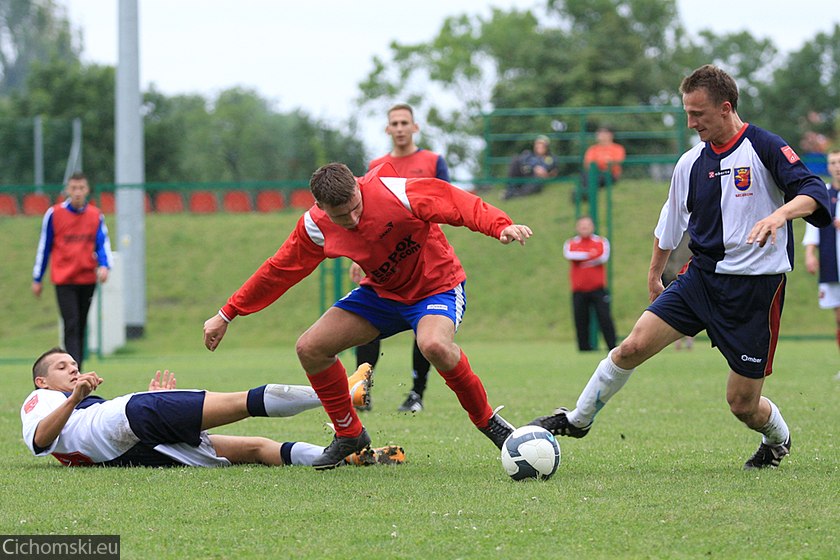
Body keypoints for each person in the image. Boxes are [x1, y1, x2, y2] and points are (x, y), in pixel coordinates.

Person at [530, 64, 830, 470]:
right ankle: (577, 420)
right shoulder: (689, 164)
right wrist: (654, 273)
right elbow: (670, 222)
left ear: (726, 108)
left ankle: (778, 439)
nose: (691, 123)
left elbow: (814, 192)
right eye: (687, 113)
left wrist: (780, 216)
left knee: (742, 405)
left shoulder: (764, 146)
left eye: (698, 114)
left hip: (755, 291)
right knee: (632, 346)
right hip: (701, 280)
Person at [203, 161, 533, 469]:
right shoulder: (315, 227)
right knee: (310, 348)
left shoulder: (395, 192)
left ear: (358, 188)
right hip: (382, 295)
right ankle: (349, 434)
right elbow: (278, 271)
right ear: (321, 207)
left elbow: (454, 201)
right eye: (341, 216)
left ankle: (488, 422)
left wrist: (499, 225)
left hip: (436, 286)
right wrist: (227, 313)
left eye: (355, 208)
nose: (352, 219)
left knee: (433, 345)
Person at [21, 347, 403, 468]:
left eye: (74, 364)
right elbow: (40, 439)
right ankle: (341, 394)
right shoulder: (40, 401)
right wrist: (74, 397)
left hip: (139, 444)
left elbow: (82, 434)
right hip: (136, 424)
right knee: (244, 410)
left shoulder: (76, 413)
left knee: (255, 448)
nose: (72, 368)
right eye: (61, 367)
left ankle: (343, 457)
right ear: (41, 382)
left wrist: (155, 399)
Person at [351, 102, 451, 413]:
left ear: (415, 127)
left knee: (426, 327)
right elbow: (364, 216)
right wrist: (359, 256)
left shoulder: (433, 161)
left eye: (404, 122)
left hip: (425, 257)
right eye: (394, 123)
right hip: (384, 261)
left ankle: (416, 394)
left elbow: (449, 203)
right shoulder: (377, 165)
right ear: (387, 129)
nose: (399, 128)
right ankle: (361, 387)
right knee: (363, 320)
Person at [32, 172, 112, 371]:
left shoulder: (95, 215)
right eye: (73, 188)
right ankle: (74, 371)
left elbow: (102, 243)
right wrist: (37, 277)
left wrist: (104, 265)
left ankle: (77, 368)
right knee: (72, 323)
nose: (77, 192)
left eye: (81, 188)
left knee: (82, 324)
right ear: (67, 190)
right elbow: (45, 246)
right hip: (64, 278)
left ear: (87, 190)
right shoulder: (54, 214)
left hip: (86, 278)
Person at [802, 147, 840, 373]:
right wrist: (809, 254)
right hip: (831, 264)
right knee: (838, 318)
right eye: (834, 163)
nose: (837, 167)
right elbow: (813, 228)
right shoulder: (823, 194)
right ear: (828, 166)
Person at [564, 216, 617, 352]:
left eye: (587, 225)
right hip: (579, 290)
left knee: (605, 318)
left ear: (592, 227)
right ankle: (584, 348)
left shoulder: (601, 242)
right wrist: (590, 255)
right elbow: (570, 255)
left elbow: (602, 257)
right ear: (577, 228)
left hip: (597, 289)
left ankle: (612, 347)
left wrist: (583, 258)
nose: (584, 228)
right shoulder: (570, 243)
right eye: (582, 226)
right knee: (581, 320)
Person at [661, 233, 694, 350]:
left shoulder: (691, 231)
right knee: (682, 307)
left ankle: (684, 339)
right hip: (678, 273)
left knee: (685, 307)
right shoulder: (689, 231)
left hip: (682, 273)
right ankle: (681, 339)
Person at [503, 135, 559, 199]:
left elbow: (551, 171)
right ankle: (510, 189)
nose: (539, 146)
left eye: (541, 144)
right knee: (515, 160)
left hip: (536, 178)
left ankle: (515, 195)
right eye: (537, 144)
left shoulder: (550, 158)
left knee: (536, 181)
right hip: (525, 173)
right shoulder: (529, 155)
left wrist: (546, 173)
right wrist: (533, 167)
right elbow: (522, 162)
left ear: (546, 146)